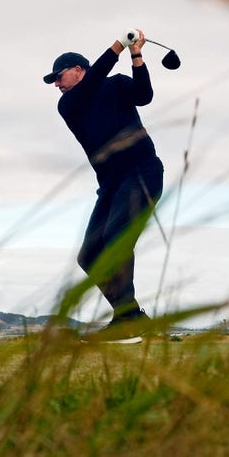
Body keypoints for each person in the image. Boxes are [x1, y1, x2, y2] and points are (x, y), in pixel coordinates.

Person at [43, 28, 165, 339]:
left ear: (78, 70)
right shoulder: (69, 105)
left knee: (115, 237)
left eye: (59, 76)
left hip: (142, 173)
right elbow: (94, 82)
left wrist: (135, 55)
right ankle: (131, 315)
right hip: (111, 186)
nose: (56, 84)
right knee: (89, 254)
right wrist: (117, 46)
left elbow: (144, 96)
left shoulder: (117, 85)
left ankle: (127, 321)